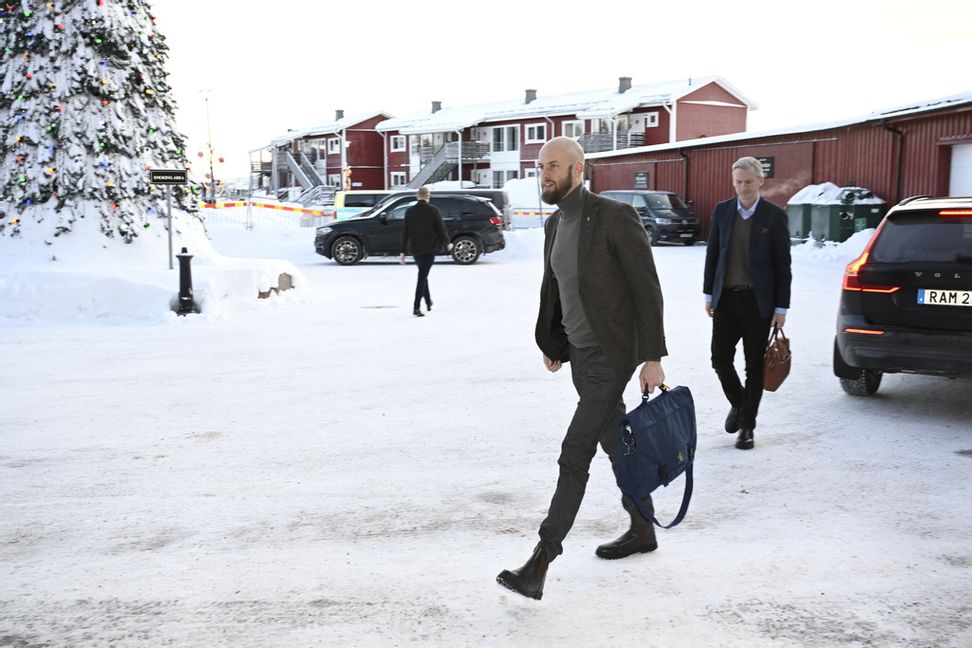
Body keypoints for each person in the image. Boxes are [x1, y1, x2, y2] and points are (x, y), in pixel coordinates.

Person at [496, 137, 667, 601]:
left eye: (553, 165)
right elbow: (554, 287)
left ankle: (541, 559)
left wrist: (652, 357)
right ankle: (642, 527)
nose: (544, 173)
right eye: (540, 166)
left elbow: (646, 289)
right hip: (581, 355)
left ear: (578, 169)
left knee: (575, 453)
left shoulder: (612, 216)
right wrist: (553, 342)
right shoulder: (555, 224)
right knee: (616, 446)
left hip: (611, 357)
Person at [703, 156, 792, 450]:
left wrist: (781, 308)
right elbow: (713, 254)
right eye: (738, 182)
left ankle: (747, 428)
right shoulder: (722, 211)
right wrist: (708, 294)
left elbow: (783, 266)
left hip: (758, 302)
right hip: (726, 299)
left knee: (754, 367)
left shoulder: (774, 216)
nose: (743, 188)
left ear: (760, 181)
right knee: (719, 359)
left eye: (749, 182)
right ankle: (741, 406)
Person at [399, 186, 452, 317]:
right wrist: (447, 243)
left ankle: (428, 302)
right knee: (422, 276)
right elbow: (441, 229)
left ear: (417, 196)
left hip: (416, 249)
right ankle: (416, 307)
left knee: (423, 274)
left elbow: (405, 232)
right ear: (428, 196)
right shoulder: (434, 210)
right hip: (430, 248)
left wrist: (403, 251)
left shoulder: (409, 211)